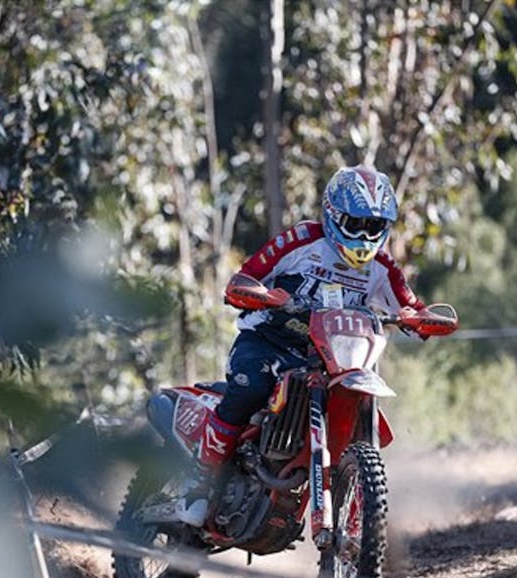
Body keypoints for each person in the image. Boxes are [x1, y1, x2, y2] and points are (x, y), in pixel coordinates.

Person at [176, 164, 429, 526]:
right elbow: (243, 279)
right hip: (268, 342)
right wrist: (263, 295)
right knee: (251, 389)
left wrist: (419, 319)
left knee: (354, 401)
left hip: (334, 359)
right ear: (333, 215)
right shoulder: (301, 241)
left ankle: (352, 511)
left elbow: (412, 308)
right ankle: (199, 483)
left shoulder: (382, 266)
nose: (364, 235)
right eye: (355, 223)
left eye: (374, 226)